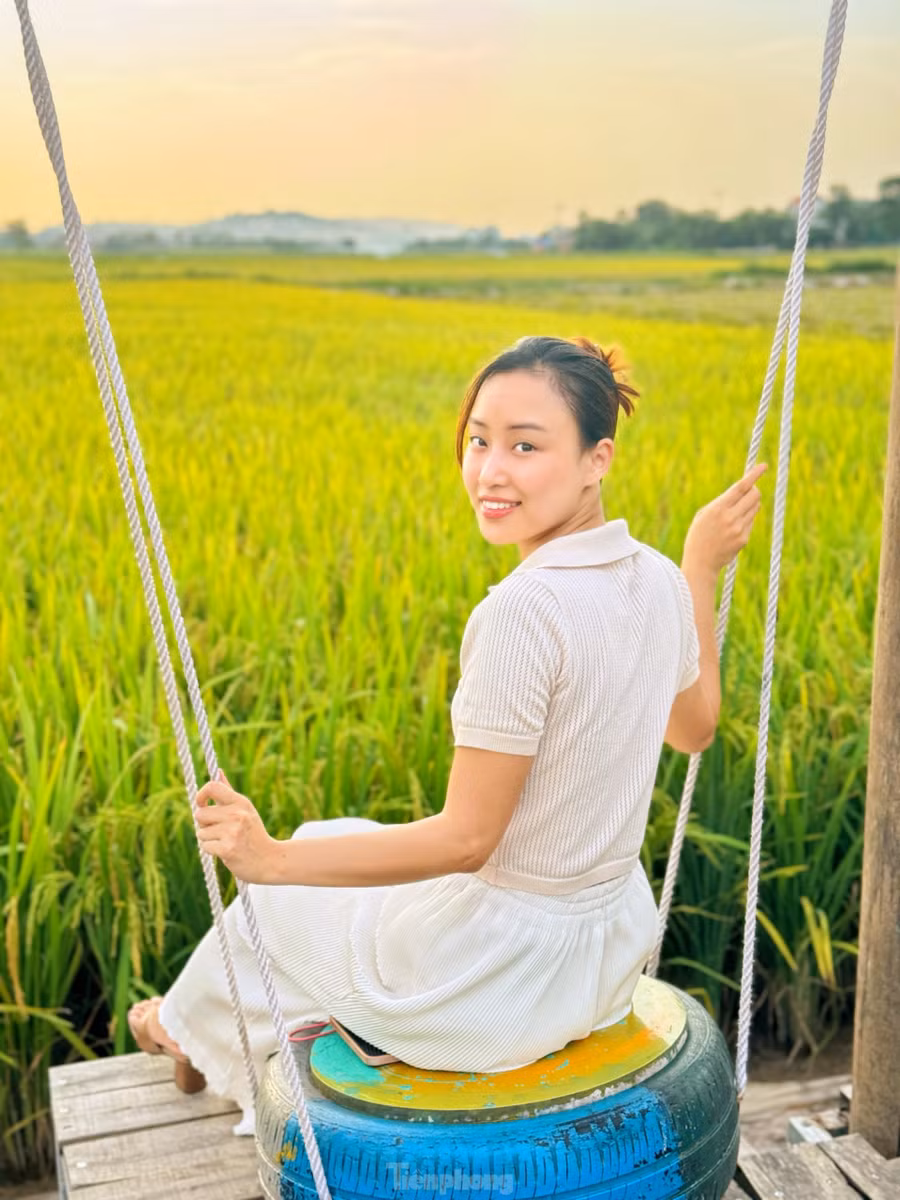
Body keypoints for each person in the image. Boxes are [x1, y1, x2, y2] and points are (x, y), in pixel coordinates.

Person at [128, 334, 766, 1132]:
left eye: (526, 446)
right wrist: (699, 569)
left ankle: (174, 1029)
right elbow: (695, 729)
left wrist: (273, 860)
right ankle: (192, 1033)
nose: (491, 471)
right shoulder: (658, 579)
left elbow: (467, 840)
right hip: (605, 957)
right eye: (478, 440)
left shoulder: (522, 615)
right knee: (338, 845)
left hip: (501, 982)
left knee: (278, 899)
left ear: (597, 459)